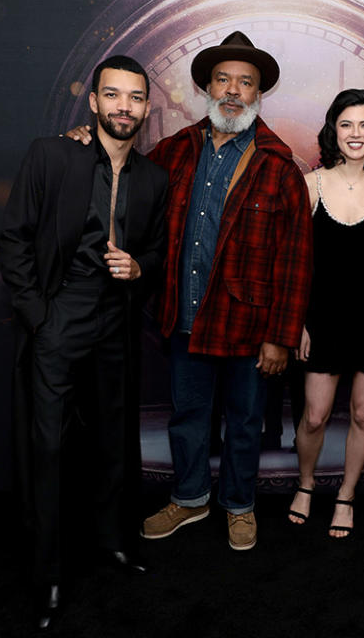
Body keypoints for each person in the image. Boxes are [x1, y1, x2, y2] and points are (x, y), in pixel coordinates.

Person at [71, 32, 313, 551]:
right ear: (206, 86)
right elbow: (123, 170)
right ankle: (189, 497)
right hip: (186, 317)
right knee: (187, 418)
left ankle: (240, 506)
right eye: (223, 79)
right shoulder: (174, 150)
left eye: (245, 83)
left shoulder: (278, 166)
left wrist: (281, 338)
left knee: (246, 423)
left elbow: (296, 261)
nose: (233, 90)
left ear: (258, 94)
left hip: (250, 328)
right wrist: (87, 142)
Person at [0, 55, 168, 630]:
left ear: (146, 107)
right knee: (49, 446)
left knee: (114, 440)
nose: (125, 106)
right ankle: (47, 573)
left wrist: (138, 268)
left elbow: (160, 254)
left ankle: (113, 542)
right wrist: (37, 316)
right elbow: (15, 236)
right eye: (113, 95)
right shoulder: (52, 155)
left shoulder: (153, 178)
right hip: (59, 315)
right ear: (93, 102)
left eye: (135, 97)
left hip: (117, 320)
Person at [286, 89, 364, 539]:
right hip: (323, 318)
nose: (355, 134)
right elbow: (296, 262)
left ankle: (347, 495)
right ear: (333, 130)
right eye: (346, 124)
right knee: (315, 416)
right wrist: (295, 322)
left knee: (362, 413)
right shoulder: (311, 183)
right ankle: (305, 484)